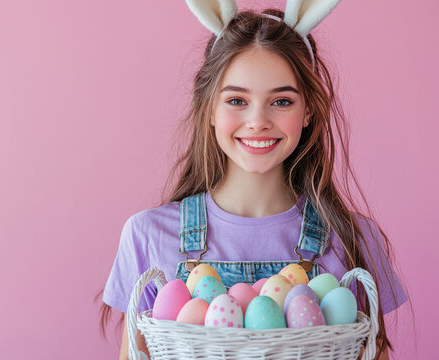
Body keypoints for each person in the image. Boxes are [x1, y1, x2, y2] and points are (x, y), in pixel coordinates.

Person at [98, 3, 410, 360]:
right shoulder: (149, 236)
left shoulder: (353, 240)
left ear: (308, 109)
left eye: (281, 101)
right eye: (236, 100)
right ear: (209, 109)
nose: (257, 121)